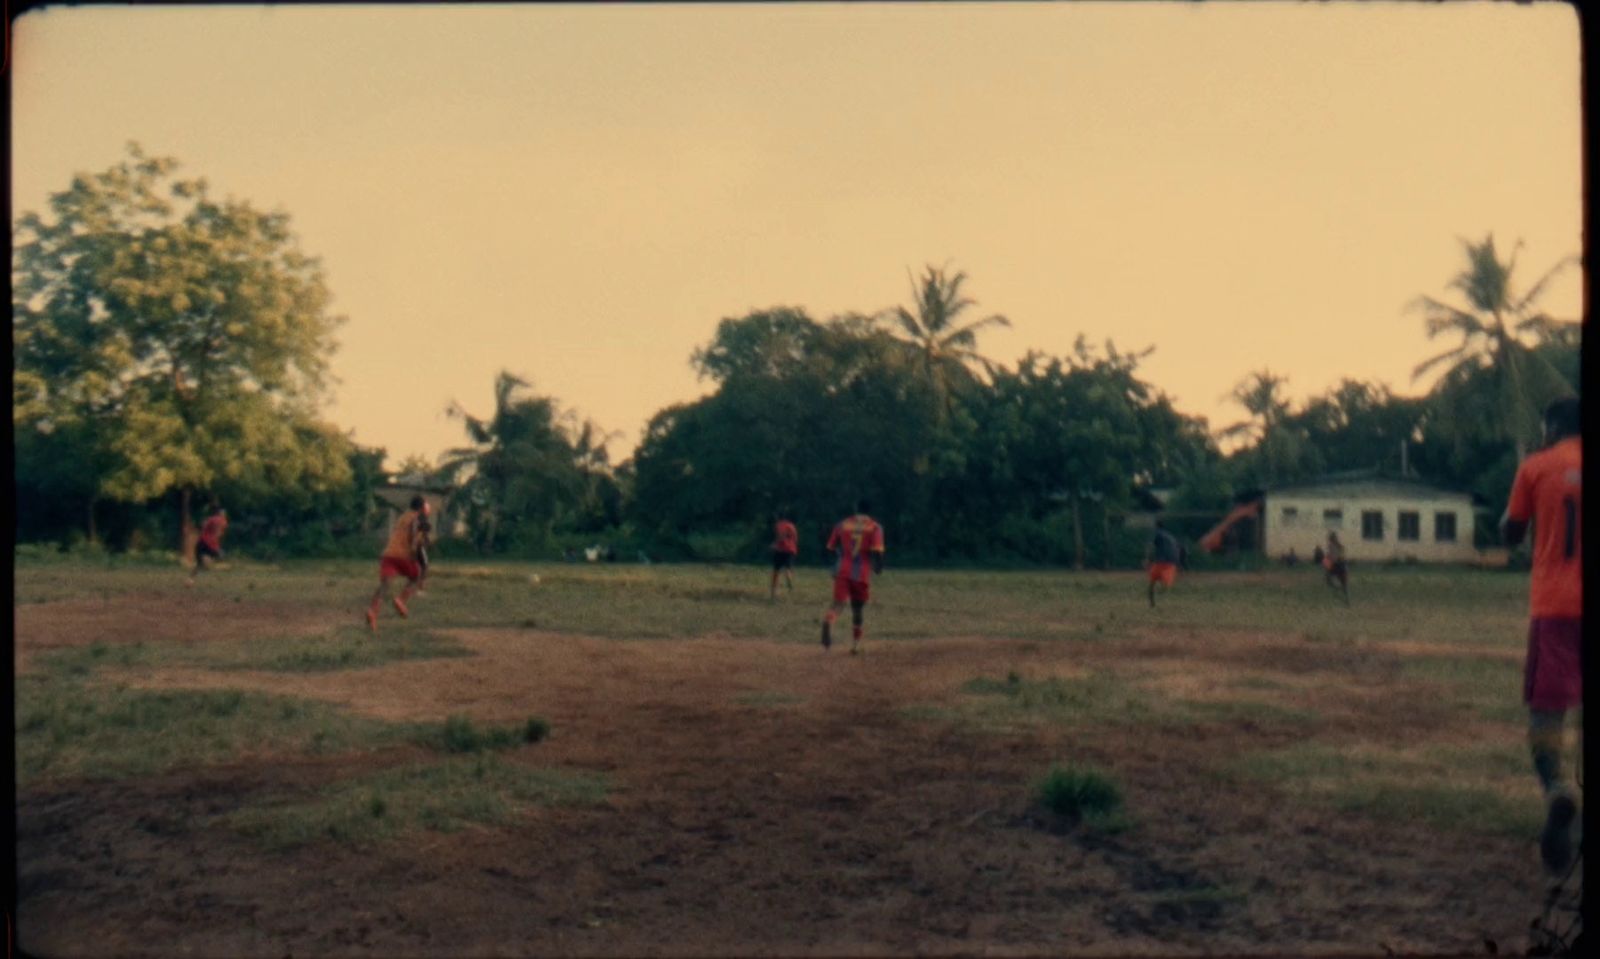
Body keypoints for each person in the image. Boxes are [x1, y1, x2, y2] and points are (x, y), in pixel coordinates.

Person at [1501, 396, 1582, 875]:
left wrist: (1506, 525)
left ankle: (1557, 789)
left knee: (1546, 713)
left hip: (1555, 606)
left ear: (1552, 426)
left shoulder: (1538, 466)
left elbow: (1512, 533)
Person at [821, 500, 885, 655]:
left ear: (855, 509)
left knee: (838, 604)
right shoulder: (875, 527)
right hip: (861, 573)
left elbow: (830, 547)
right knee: (857, 610)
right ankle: (855, 646)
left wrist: (838, 560)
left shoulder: (842, 525)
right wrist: (878, 567)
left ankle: (829, 621)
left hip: (842, 570)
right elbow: (877, 551)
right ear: (869, 511)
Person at [367, 495, 427, 632]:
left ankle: (372, 612)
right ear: (421, 507)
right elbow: (413, 531)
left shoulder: (402, 517)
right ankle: (401, 600)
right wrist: (413, 550)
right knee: (416, 575)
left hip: (388, 554)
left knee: (384, 586)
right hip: (403, 555)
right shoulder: (415, 518)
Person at [187, 506, 228, 585]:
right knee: (220, 555)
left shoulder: (211, 519)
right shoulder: (223, 521)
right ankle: (209, 562)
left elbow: (203, 525)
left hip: (201, 542)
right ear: (221, 513)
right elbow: (219, 533)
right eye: (223, 513)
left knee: (200, 564)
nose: (224, 514)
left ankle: (190, 579)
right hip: (210, 544)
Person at [1144, 520, 1181, 607]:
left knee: (1152, 583)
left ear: (1156, 526)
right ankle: (1160, 592)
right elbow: (1177, 549)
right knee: (1165, 584)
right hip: (1172, 563)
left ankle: (1152, 602)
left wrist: (1147, 559)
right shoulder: (1171, 536)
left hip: (1161, 561)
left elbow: (1150, 546)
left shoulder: (1157, 533)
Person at [770, 512, 799, 600]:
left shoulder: (779, 525)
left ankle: (774, 593)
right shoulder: (792, 526)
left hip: (780, 550)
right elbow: (796, 538)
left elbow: (780, 536)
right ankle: (789, 580)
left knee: (776, 571)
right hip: (791, 550)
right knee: (788, 568)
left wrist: (774, 544)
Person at [1322, 531, 1349, 604]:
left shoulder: (1331, 545)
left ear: (1331, 538)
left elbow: (1333, 558)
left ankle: (1337, 589)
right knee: (1344, 584)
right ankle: (1346, 599)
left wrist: (1326, 562)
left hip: (1336, 565)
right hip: (1342, 565)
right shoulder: (1340, 546)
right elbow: (1342, 556)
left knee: (1328, 579)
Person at [414, 502, 434, 594]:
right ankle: (420, 588)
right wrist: (429, 543)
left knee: (418, 566)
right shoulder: (422, 520)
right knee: (424, 566)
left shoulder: (417, 519)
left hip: (415, 545)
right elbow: (425, 534)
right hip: (418, 545)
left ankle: (417, 587)